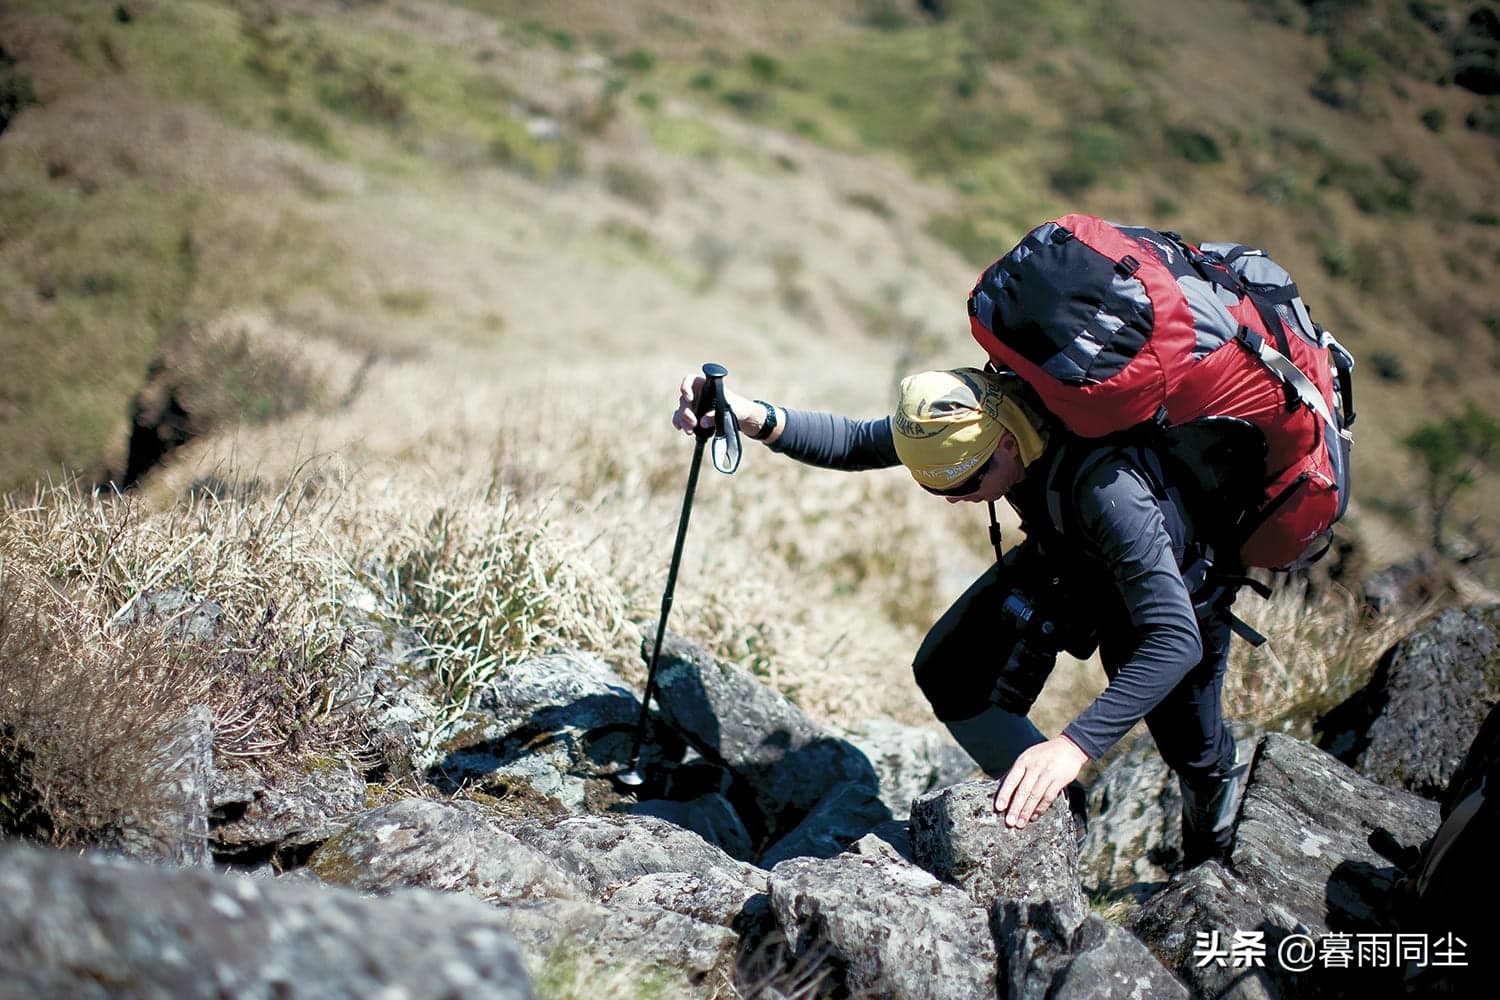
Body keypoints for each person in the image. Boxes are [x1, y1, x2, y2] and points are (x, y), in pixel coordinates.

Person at [673, 365, 1247, 867]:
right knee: (950, 670)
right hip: (1065, 553)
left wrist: (1071, 748)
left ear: (1005, 446)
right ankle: (1059, 821)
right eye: (934, 485)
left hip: (1174, 590)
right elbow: (856, 442)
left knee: (1192, 750)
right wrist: (748, 414)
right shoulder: (971, 410)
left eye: (964, 483)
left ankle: (1210, 852)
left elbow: (1175, 639)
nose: (952, 498)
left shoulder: (1107, 489)